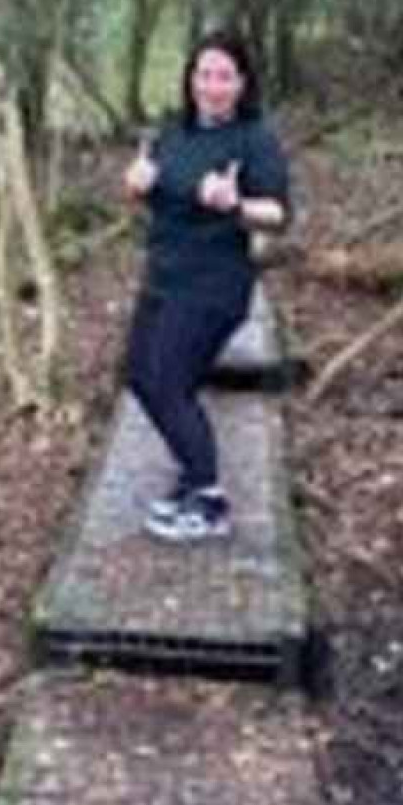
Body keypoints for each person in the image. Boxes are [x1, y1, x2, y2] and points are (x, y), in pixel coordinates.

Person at [122, 29, 291, 543]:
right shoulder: (174, 132)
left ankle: (208, 498)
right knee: (140, 377)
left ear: (242, 83)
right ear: (190, 78)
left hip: (214, 285)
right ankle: (193, 472)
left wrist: (235, 205)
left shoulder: (254, 138)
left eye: (224, 76)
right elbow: (151, 194)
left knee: (170, 384)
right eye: (203, 74)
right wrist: (134, 187)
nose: (212, 85)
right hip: (164, 274)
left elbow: (279, 214)